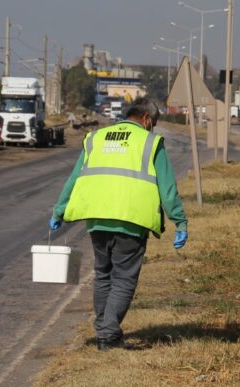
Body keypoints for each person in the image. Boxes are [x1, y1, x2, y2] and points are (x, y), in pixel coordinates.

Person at [49, 97, 188, 351]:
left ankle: (105, 333)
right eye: (153, 123)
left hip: (97, 218)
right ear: (146, 119)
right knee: (123, 278)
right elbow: (168, 190)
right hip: (131, 219)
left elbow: (75, 177)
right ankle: (108, 335)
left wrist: (59, 211)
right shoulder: (150, 142)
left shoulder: (96, 138)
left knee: (103, 274)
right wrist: (180, 222)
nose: (153, 128)